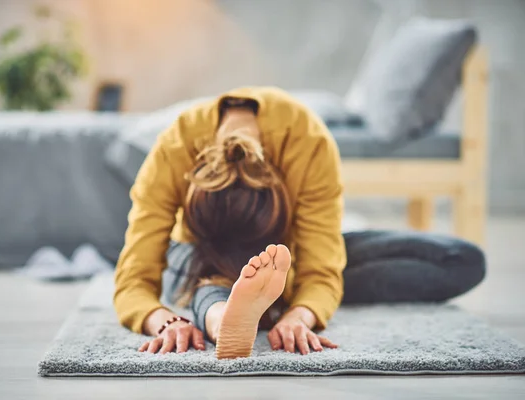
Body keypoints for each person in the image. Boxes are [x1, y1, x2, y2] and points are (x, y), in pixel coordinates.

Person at [113, 87, 486, 359]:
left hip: (285, 252)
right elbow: (132, 278)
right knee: (198, 281)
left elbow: (322, 265)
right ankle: (224, 314)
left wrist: (299, 316)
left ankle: (265, 295)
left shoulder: (308, 142)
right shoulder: (173, 149)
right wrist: (162, 320)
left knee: (460, 258)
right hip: (201, 254)